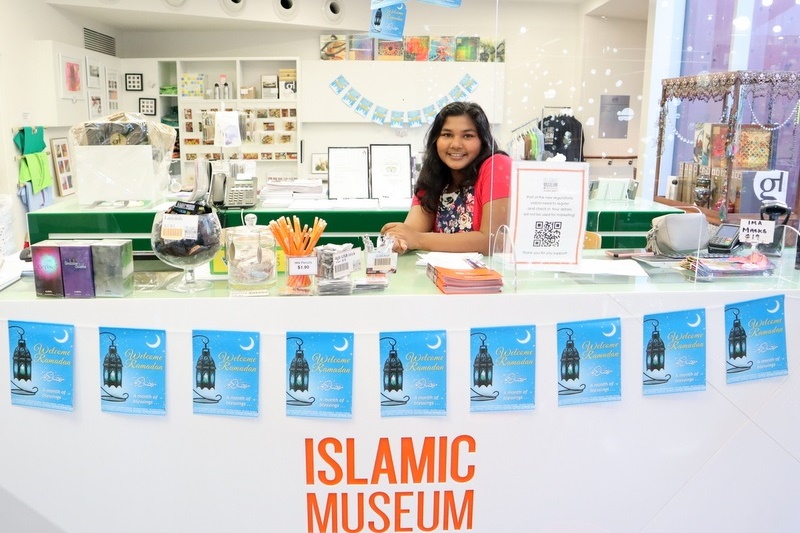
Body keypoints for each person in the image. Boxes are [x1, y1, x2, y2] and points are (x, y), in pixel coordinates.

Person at [380, 101, 511, 255]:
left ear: (482, 140)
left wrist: (417, 239)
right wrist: (398, 239)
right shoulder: (434, 175)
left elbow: (493, 241)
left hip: (486, 277)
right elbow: (411, 232)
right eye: (447, 135)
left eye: (468, 136)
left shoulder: (497, 165)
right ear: (436, 140)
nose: (456, 144)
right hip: (441, 276)